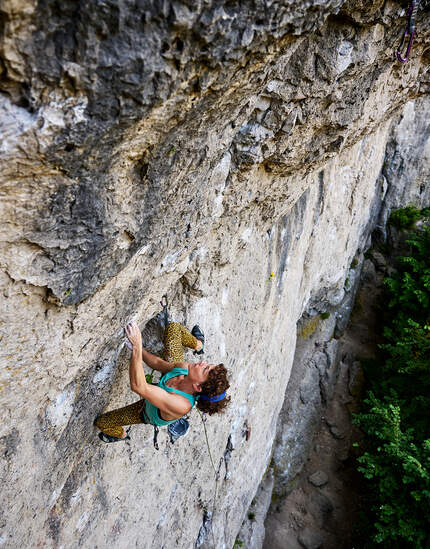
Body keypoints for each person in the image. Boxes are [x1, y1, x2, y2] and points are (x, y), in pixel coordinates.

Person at [95, 321, 230, 443]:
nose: (202, 362)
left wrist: (137, 347)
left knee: (102, 422)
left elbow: (138, 386)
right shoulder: (185, 369)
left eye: (205, 369)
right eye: (208, 364)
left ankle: (122, 435)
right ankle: (199, 344)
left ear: (198, 387)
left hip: (145, 412)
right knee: (173, 329)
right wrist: (140, 350)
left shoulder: (181, 405)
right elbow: (158, 363)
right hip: (163, 390)